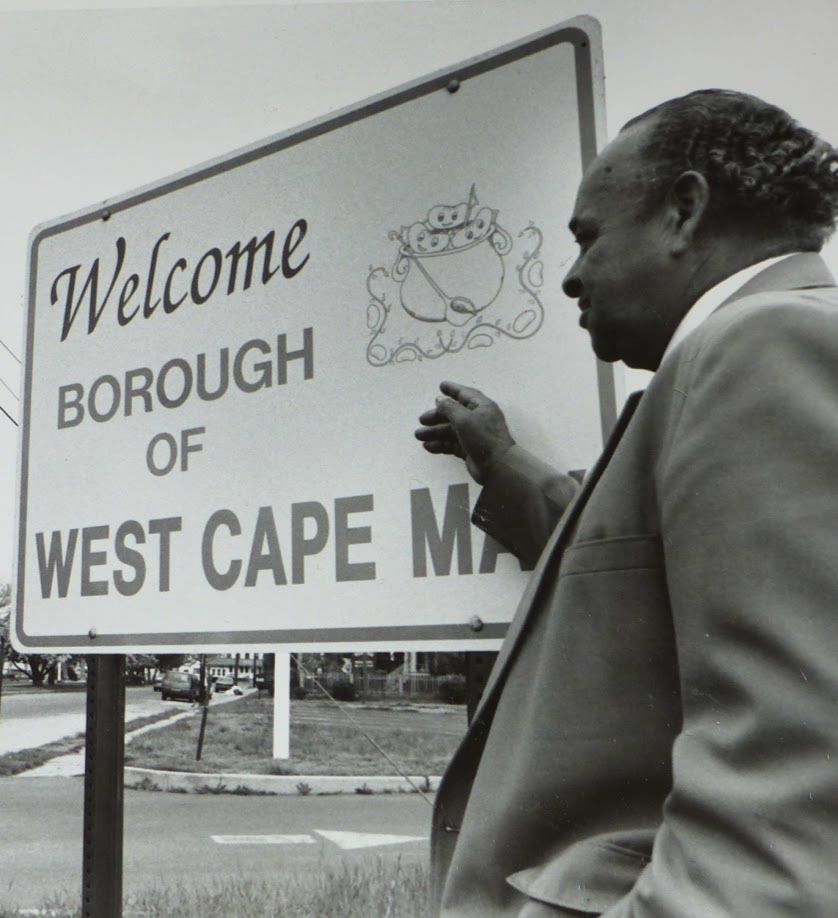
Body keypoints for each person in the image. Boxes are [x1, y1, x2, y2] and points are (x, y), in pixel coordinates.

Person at [415, 89, 838, 916]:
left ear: (684, 210)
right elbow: (637, 588)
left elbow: (785, 802)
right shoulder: (732, 361)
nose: (571, 276)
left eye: (588, 237)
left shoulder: (762, 344)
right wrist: (503, 463)